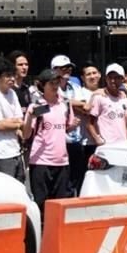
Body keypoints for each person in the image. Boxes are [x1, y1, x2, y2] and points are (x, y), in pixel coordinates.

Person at [24, 69, 78, 216]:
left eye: (57, 82)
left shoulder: (65, 104)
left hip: (61, 161)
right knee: (41, 202)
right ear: (42, 85)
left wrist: (73, 125)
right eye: (51, 83)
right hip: (41, 161)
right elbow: (26, 134)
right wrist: (29, 117)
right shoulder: (38, 107)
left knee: (59, 203)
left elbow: (65, 128)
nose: (55, 86)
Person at [51, 54, 87, 193]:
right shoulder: (51, 87)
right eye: (63, 68)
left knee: (75, 178)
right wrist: (70, 102)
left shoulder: (75, 86)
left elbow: (84, 106)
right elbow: (56, 101)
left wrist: (69, 102)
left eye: (69, 68)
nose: (67, 71)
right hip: (58, 139)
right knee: (61, 179)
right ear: (54, 70)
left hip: (76, 138)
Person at [88, 64, 127, 146]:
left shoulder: (124, 98)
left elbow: (125, 124)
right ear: (106, 79)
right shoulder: (99, 97)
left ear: (122, 79)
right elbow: (90, 123)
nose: (112, 81)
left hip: (122, 144)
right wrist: (97, 139)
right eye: (110, 78)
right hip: (107, 145)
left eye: (116, 78)